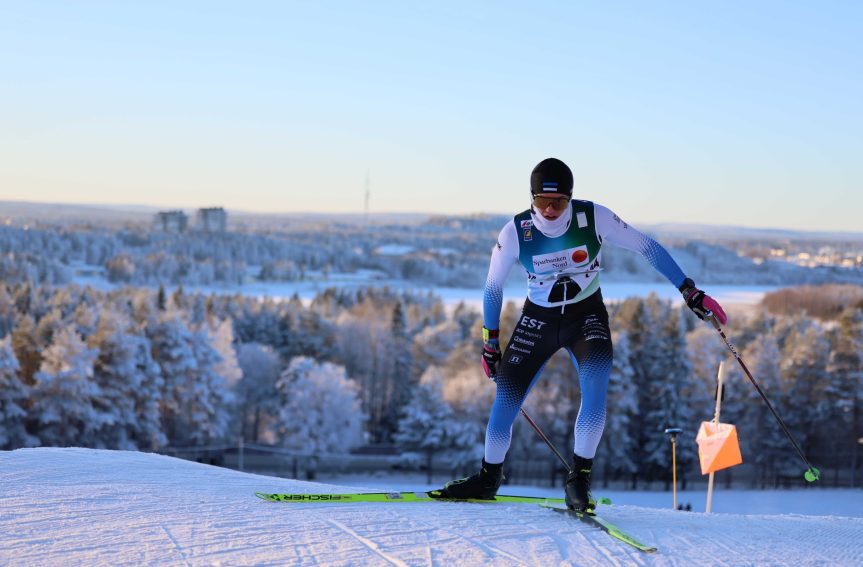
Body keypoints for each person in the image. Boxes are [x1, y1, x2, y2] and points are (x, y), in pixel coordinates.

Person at [435, 157, 727, 511]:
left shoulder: (594, 218)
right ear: (531, 198)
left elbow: (647, 247)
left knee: (595, 390)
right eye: (542, 201)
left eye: (559, 202)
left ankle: (579, 481)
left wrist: (688, 290)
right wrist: (489, 343)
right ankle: (488, 478)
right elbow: (492, 288)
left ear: (570, 198)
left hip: (585, 316)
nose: (551, 210)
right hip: (537, 321)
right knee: (505, 401)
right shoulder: (516, 231)